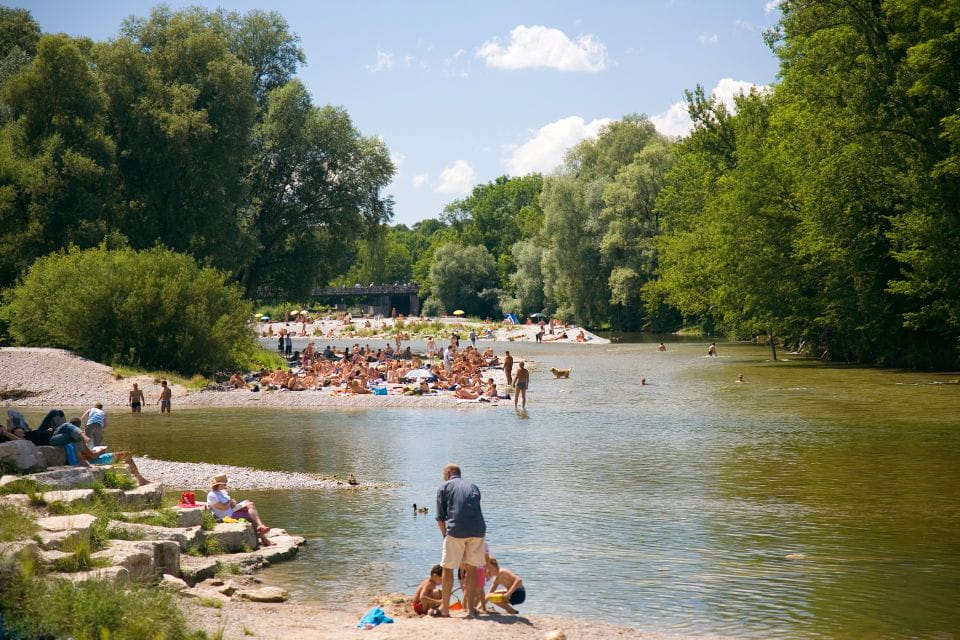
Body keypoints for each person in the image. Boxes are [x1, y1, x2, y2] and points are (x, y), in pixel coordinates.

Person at [436, 464, 486, 617]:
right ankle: (470, 609)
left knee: (448, 568)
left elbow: (440, 517)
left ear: (449, 473)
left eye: (444, 474)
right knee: (471, 569)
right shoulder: (473, 486)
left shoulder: (444, 487)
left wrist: (445, 535)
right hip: (478, 530)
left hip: (456, 530)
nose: (443, 477)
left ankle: (445, 609)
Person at [207, 474, 274, 547]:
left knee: (249, 504)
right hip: (226, 515)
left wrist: (233, 503)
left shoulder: (222, 492)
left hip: (232, 510)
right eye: (224, 484)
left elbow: (228, 504)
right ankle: (262, 534)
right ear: (219, 485)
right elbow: (223, 507)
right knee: (251, 513)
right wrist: (230, 502)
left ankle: (261, 533)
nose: (226, 485)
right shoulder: (212, 495)